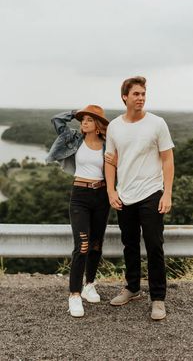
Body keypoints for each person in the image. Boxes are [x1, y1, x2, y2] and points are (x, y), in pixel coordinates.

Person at [105, 77, 174, 320]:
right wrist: (111, 192)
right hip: (125, 194)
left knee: (154, 245)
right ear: (125, 97)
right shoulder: (114, 126)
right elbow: (109, 161)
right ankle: (133, 288)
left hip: (152, 192)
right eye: (136, 93)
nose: (141, 97)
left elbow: (167, 159)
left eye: (143, 93)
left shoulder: (157, 124)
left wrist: (167, 192)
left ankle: (158, 298)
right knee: (130, 244)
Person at [47, 105, 113, 318]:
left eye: (89, 120)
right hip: (80, 196)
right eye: (82, 119)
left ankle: (89, 284)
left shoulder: (107, 145)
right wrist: (76, 111)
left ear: (98, 125)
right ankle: (74, 295)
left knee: (96, 244)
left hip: (102, 196)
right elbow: (57, 119)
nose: (84, 122)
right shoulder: (74, 138)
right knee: (82, 245)